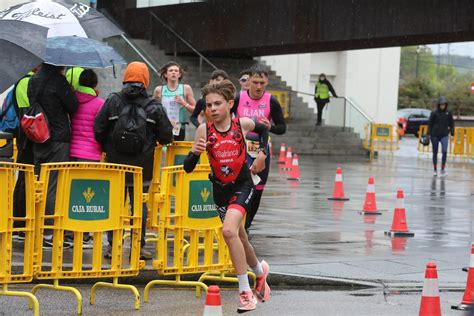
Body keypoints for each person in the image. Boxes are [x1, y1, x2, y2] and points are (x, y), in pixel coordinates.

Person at [184, 80, 270, 313]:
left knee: (229, 231)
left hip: (242, 185)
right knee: (240, 237)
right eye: (209, 105)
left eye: (217, 104)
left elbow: (263, 130)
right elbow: (187, 168)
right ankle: (260, 273)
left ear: (230, 104)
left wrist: (262, 154)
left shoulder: (241, 124)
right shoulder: (204, 130)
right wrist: (194, 153)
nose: (212, 108)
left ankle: (245, 293)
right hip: (220, 191)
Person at [94, 61, 173, 260]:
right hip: (142, 167)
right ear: (146, 81)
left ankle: (113, 246)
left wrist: (109, 147)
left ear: (125, 78)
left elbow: (98, 129)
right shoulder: (153, 106)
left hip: (115, 166)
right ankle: (138, 246)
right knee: (140, 206)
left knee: (115, 205)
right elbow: (166, 137)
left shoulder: (113, 101)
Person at [27, 63, 79, 249]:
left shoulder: (34, 80)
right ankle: (49, 233)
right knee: (53, 185)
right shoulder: (59, 81)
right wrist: (70, 91)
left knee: (38, 182)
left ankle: (34, 226)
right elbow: (73, 107)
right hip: (58, 138)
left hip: (38, 135)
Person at [233, 66, 286, 231]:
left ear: (267, 82)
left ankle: (247, 226)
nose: (258, 86)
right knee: (241, 188)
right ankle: (237, 224)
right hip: (241, 149)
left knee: (257, 191)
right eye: (255, 82)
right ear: (248, 81)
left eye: (262, 82)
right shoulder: (238, 98)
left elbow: (282, 128)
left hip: (261, 150)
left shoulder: (271, 101)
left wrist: (270, 126)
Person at [153, 61, 196, 140]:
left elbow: (196, 110)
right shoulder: (159, 90)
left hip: (179, 128)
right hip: (163, 127)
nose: (173, 73)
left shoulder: (186, 88)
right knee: (163, 151)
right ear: (166, 74)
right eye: (171, 70)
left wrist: (184, 103)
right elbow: (152, 110)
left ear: (179, 74)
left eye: (176, 71)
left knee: (176, 151)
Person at [69, 69, 104, 162]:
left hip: (70, 152)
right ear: (95, 84)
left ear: (79, 82)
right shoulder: (100, 104)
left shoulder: (70, 100)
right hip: (92, 154)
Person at [428, 96, 454, 177]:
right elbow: (430, 124)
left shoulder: (448, 112)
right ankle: (435, 170)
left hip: (444, 135)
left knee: (445, 151)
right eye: (441, 105)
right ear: (438, 105)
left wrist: (452, 134)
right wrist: (427, 134)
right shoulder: (434, 112)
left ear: (446, 105)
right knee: (435, 152)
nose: (442, 106)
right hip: (434, 135)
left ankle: (442, 169)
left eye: (444, 104)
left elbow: (452, 123)